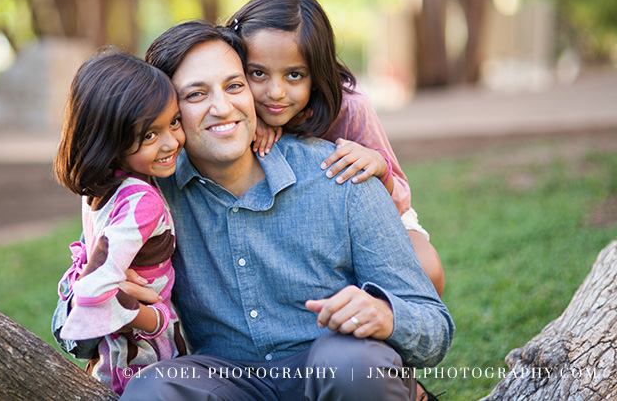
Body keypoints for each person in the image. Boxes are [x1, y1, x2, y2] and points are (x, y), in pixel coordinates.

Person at [54, 20, 453, 400]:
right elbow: (71, 326)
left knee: (350, 363)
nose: (223, 108)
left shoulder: (343, 176)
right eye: (196, 95)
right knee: (155, 390)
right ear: (168, 114)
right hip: (225, 382)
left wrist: (387, 316)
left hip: (334, 372)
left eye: (234, 86)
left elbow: (434, 326)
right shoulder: (148, 196)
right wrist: (99, 299)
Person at [229, 0, 444, 296]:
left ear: (316, 74)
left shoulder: (349, 108)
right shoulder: (235, 109)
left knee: (427, 270)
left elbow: (401, 197)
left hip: (369, 216)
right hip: (293, 228)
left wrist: (378, 165)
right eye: (258, 73)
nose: (275, 92)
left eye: (294, 75)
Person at [52, 49, 187, 395]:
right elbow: (98, 288)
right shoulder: (142, 200)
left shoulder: (103, 187)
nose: (172, 141)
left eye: (174, 122)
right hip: (143, 355)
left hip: (110, 355)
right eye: (150, 135)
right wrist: (150, 316)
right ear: (110, 137)